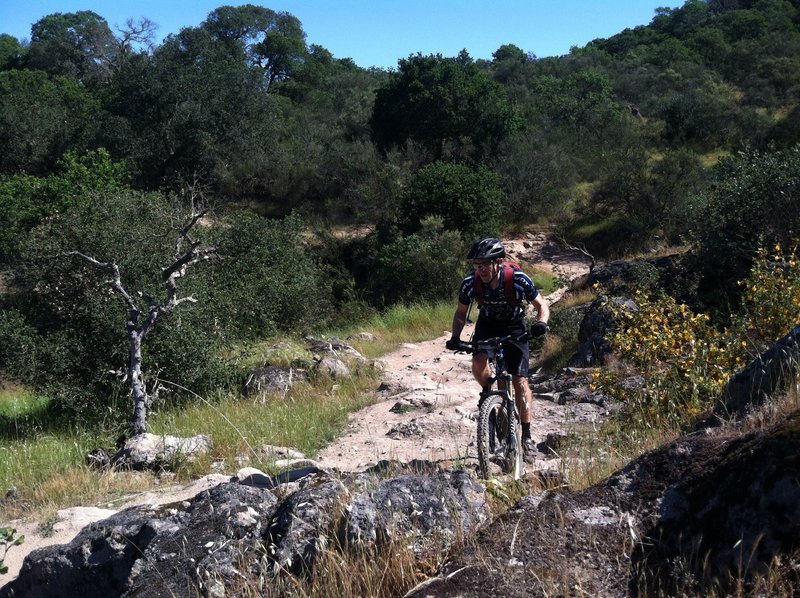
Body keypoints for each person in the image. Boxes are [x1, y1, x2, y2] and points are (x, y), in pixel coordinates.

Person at [445, 237, 550, 457]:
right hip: (487, 325)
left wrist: (541, 323)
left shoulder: (517, 279)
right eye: (477, 264)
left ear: (499, 262)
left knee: (519, 381)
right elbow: (460, 314)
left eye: (485, 264)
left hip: (514, 327)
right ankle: (488, 394)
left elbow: (542, 306)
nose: (480, 269)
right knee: (478, 362)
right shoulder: (470, 283)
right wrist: (455, 337)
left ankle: (527, 436)